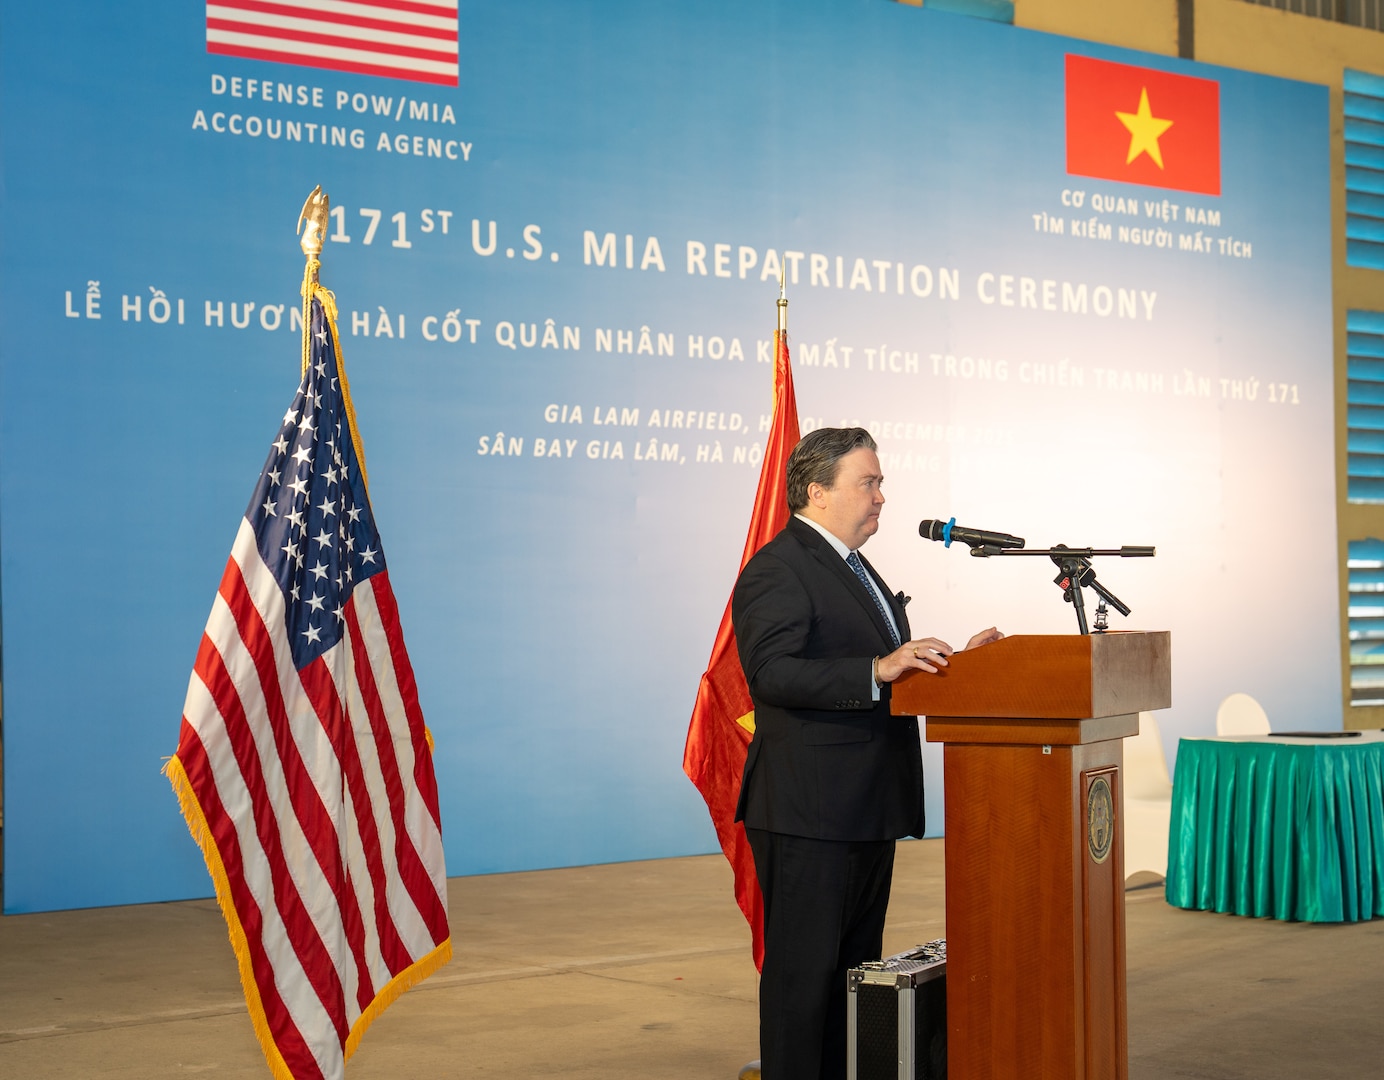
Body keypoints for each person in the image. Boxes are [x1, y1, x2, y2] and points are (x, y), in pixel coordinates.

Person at [732, 426, 1001, 1080]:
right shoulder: (779, 567)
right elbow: (773, 673)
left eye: (880, 482)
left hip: (861, 808)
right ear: (818, 491)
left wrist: (961, 668)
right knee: (804, 981)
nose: (882, 495)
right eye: (868, 482)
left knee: (850, 972)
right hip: (809, 812)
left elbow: (885, 672)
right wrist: (877, 670)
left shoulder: (854, 567)